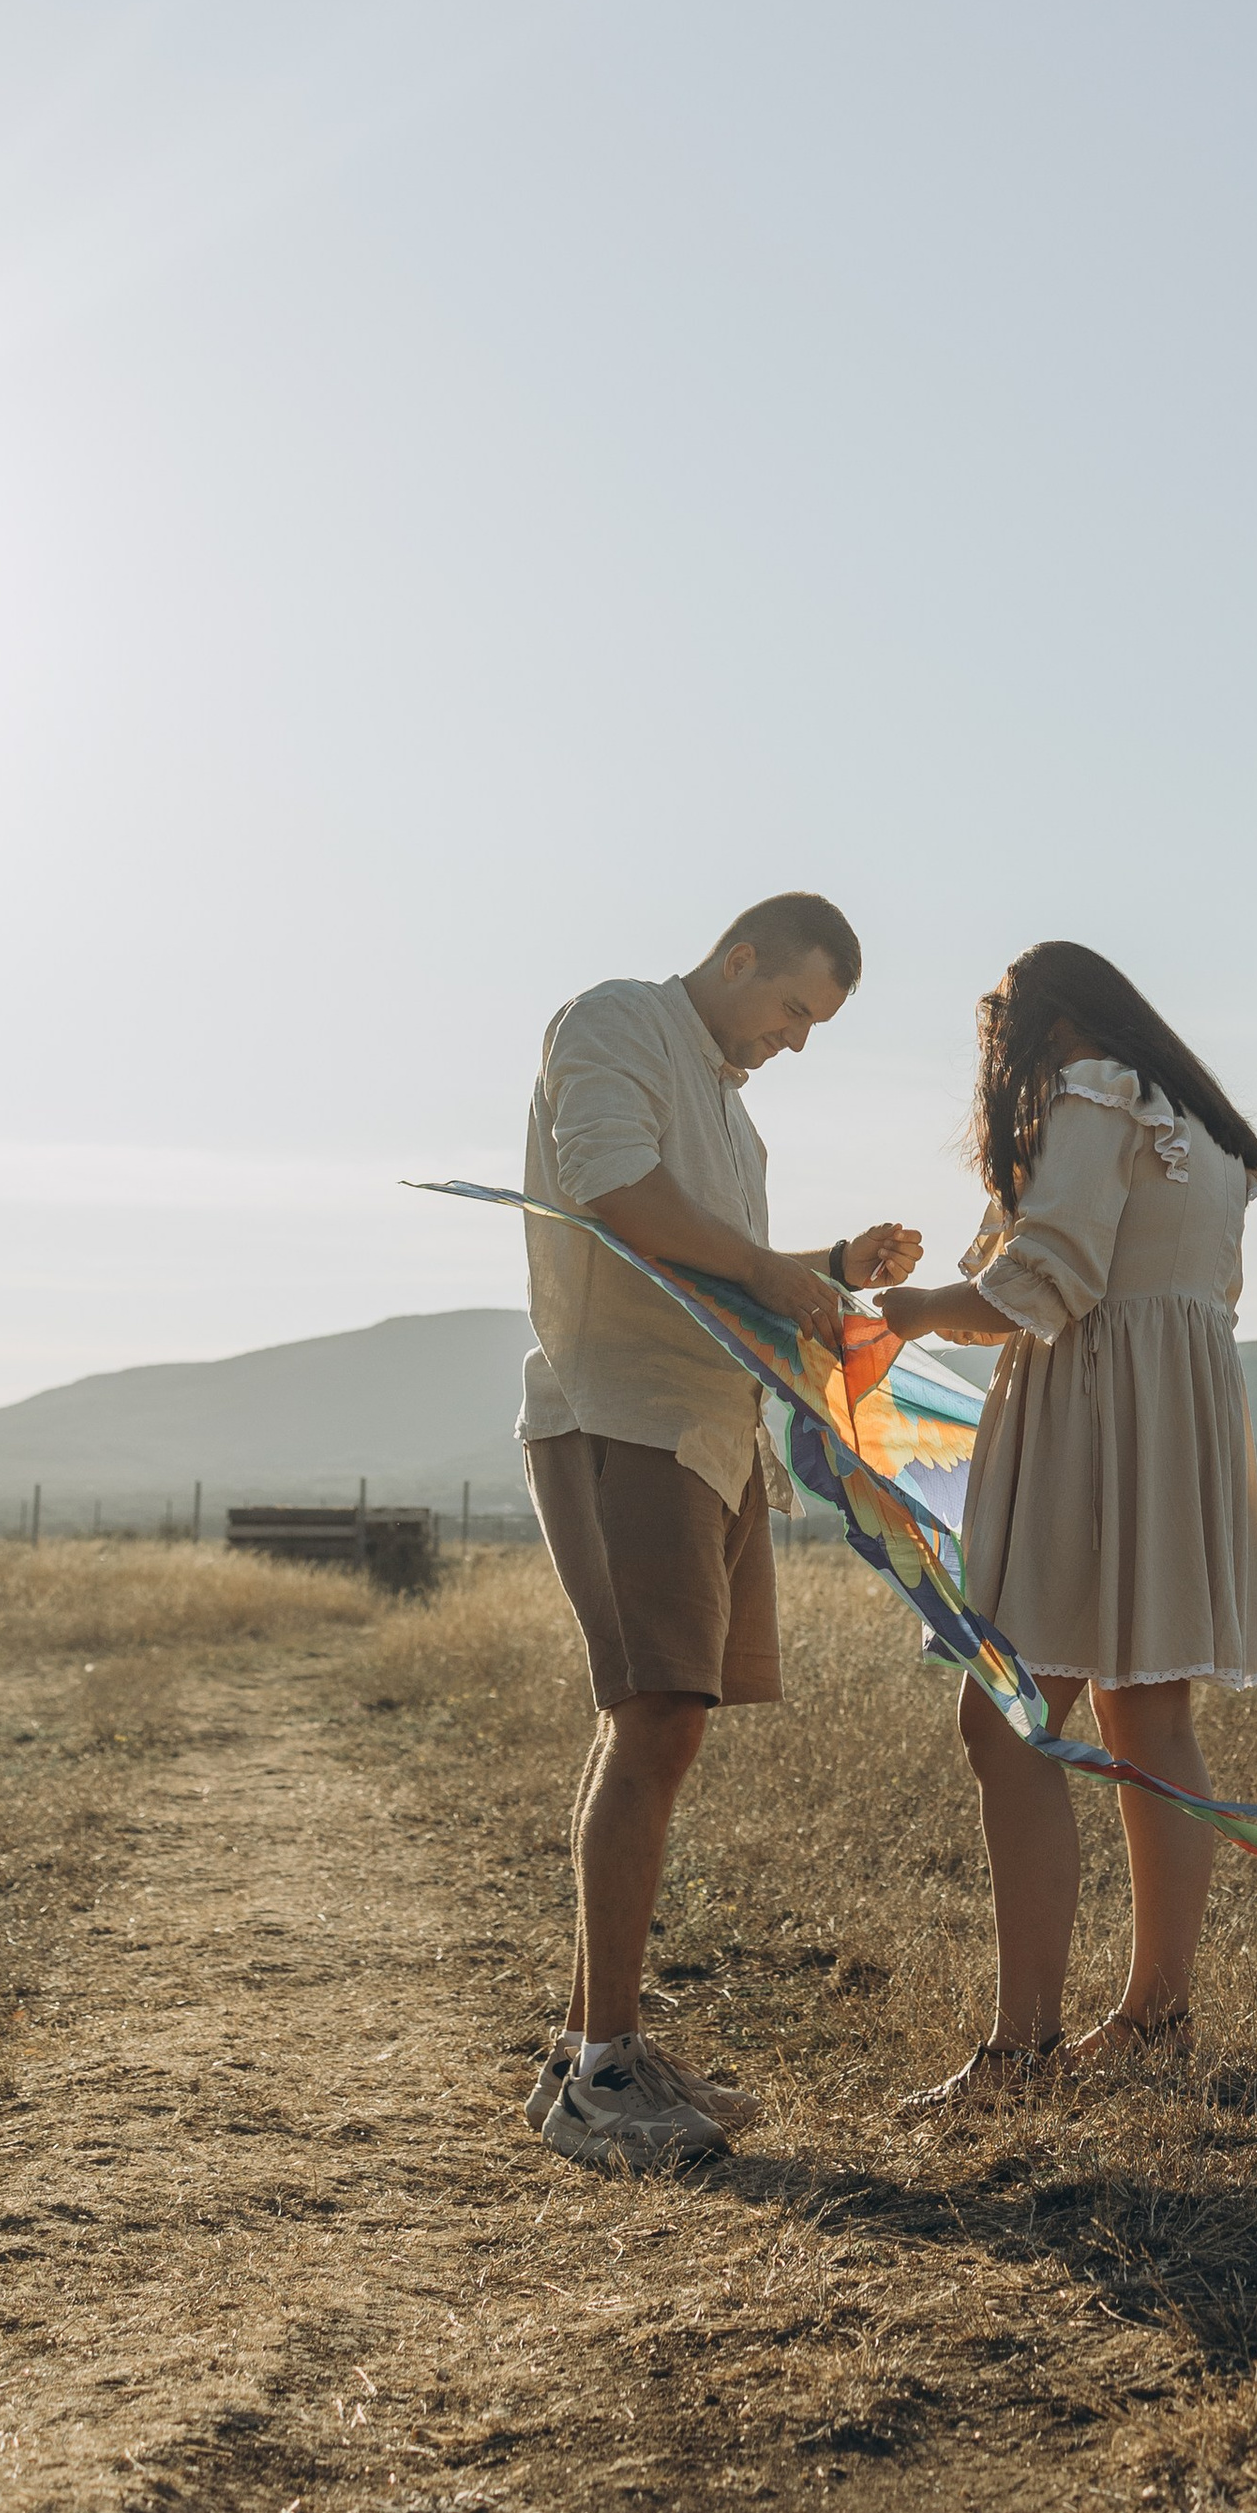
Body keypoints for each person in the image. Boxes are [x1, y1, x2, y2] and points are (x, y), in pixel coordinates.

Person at [518, 894, 922, 2169]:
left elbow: (714, 1262)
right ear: (739, 956)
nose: (795, 1040)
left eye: (818, 1027)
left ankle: (594, 2046)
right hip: (621, 1419)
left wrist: (828, 1263)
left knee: (661, 1726)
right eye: (793, 1007)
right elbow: (616, 1195)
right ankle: (600, 2077)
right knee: (652, 1720)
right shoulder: (617, 1024)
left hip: (706, 1433)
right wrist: (765, 1268)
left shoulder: (730, 1110)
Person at [874, 940, 1257, 2106]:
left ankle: (1022, 2050)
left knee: (1004, 1717)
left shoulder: (1091, 1092)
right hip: (1177, 1413)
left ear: (1039, 1028)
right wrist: (956, 1292)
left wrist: (902, 1315)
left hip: (1093, 1412)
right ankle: (1155, 2020)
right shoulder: (1199, 1128)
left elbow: (1042, 1281)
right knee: (1149, 1719)